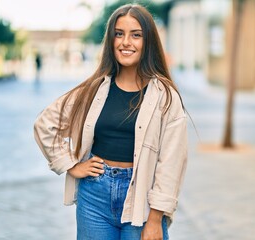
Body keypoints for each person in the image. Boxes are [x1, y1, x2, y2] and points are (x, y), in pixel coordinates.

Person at [34, 4, 187, 240]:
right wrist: (72, 165)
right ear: (111, 40)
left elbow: (172, 162)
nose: (126, 42)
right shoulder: (93, 89)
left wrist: (156, 218)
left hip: (142, 201)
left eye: (136, 35)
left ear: (148, 42)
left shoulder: (165, 96)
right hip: (94, 197)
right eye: (119, 33)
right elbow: (45, 124)